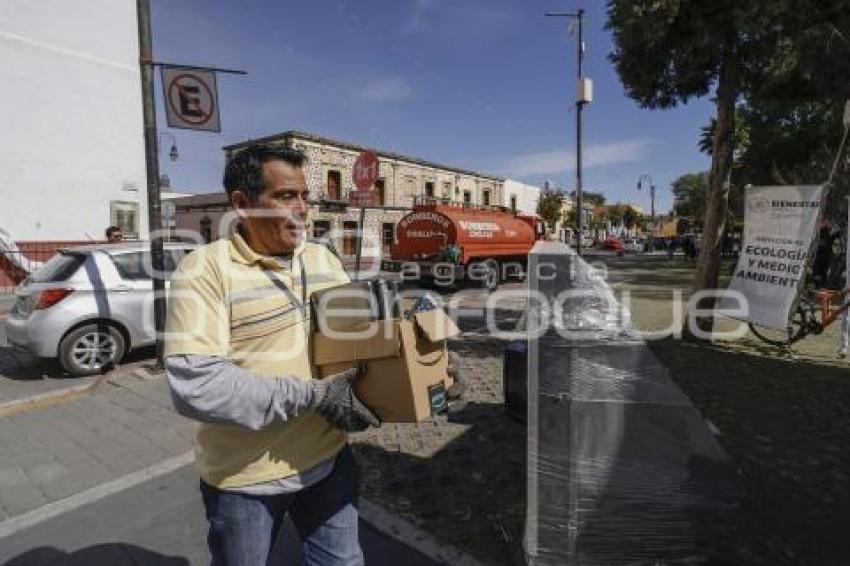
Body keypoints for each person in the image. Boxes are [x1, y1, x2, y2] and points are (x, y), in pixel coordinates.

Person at [165, 145, 380, 566]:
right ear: (242, 204)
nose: (302, 209)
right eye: (285, 196)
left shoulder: (323, 259)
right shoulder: (203, 271)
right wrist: (315, 396)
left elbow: (358, 341)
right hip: (245, 480)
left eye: (304, 196)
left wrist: (424, 367)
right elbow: (198, 387)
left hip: (329, 463)